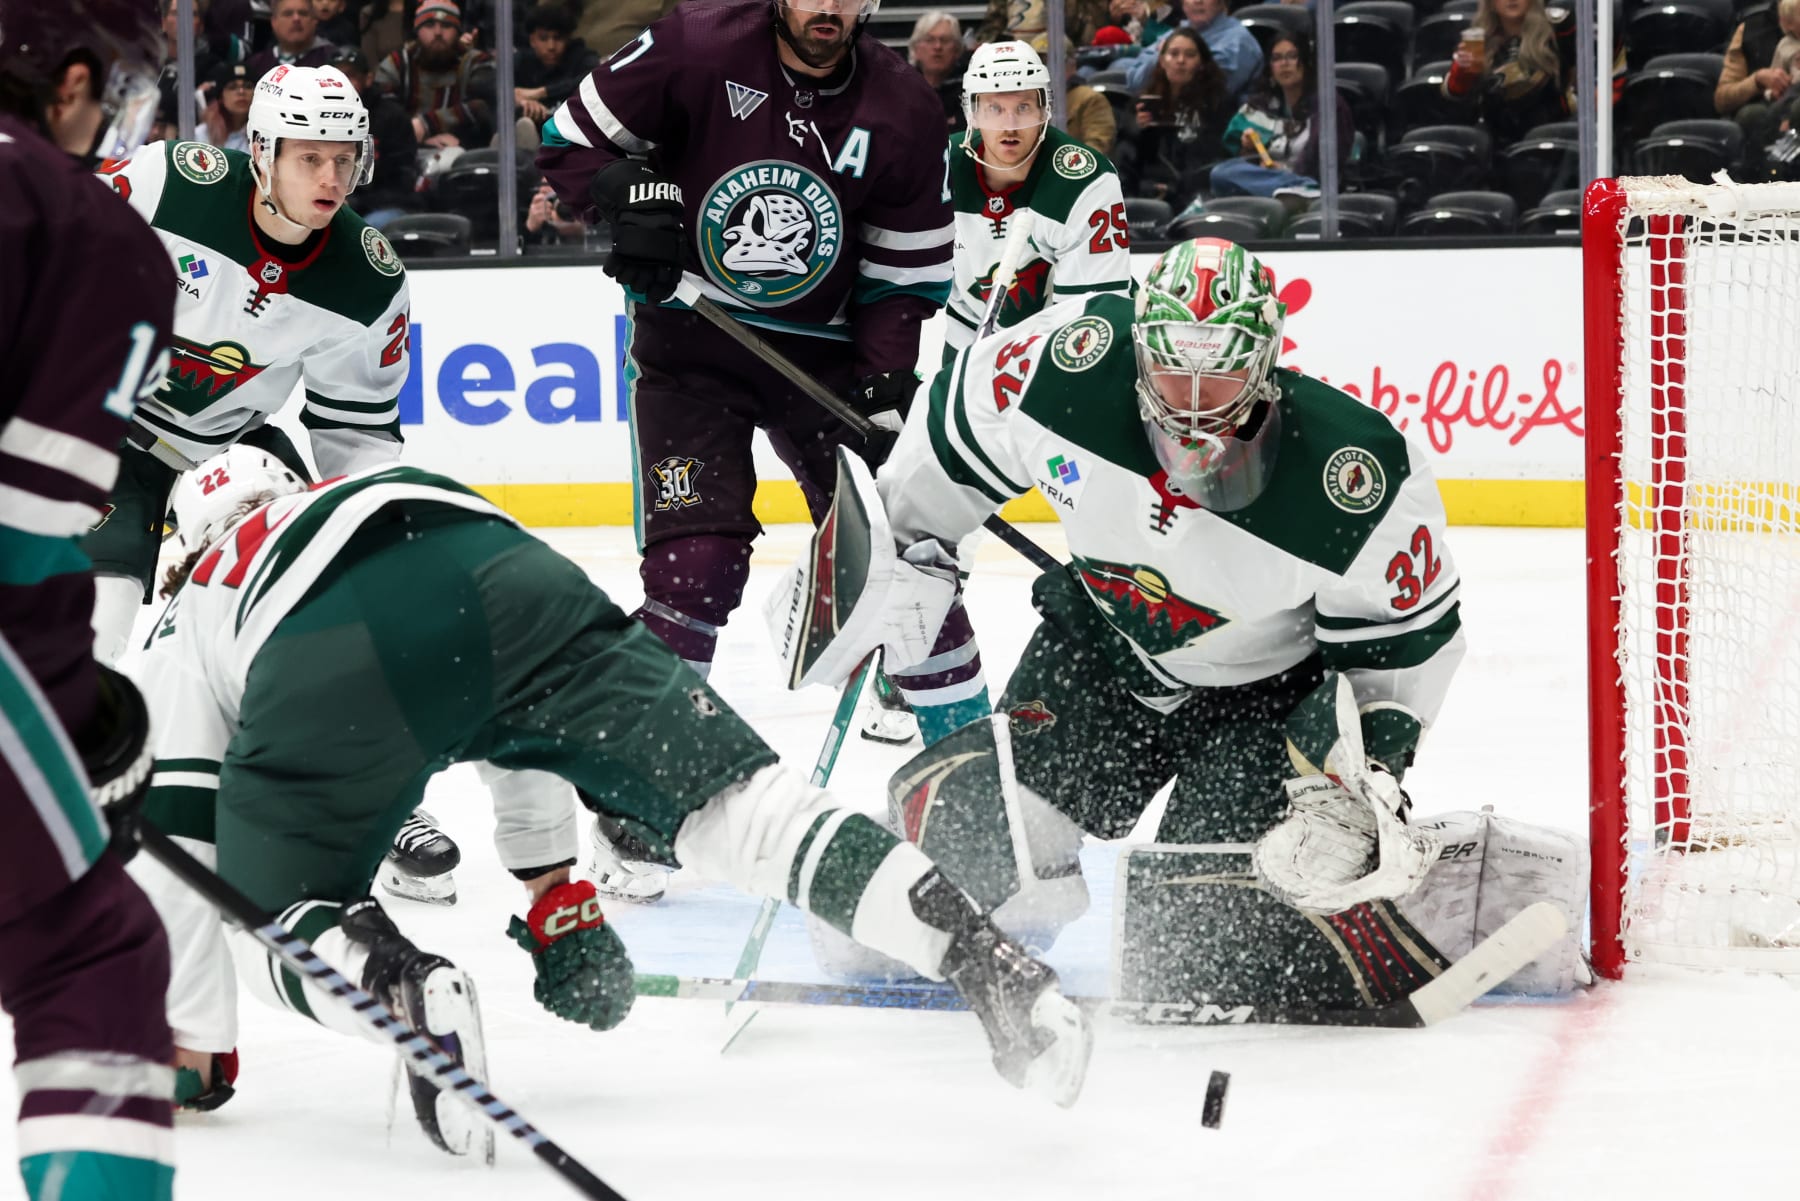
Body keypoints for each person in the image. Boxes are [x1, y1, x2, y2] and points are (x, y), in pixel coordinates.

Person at [123, 450, 1092, 1152]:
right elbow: (512, 728)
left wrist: (192, 1042)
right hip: (511, 572)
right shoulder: (361, 484)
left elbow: (179, 842)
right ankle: (987, 959)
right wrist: (556, 894)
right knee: (746, 807)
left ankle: (401, 988)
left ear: (181, 544)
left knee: (271, 916)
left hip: (323, 641)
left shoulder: (191, 594)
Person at [796, 238, 1465, 1000]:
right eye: (1175, 369)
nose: (1191, 402)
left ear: (1267, 360)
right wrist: (904, 544)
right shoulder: (1062, 368)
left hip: (1267, 700)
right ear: (1141, 347)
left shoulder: (1354, 477)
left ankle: (1396, 899)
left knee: (1194, 943)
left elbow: (1401, 648)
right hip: (1104, 654)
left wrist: (1367, 777)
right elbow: (953, 435)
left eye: (1219, 374)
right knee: (975, 855)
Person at [536, 0, 959, 900]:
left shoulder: (903, 107)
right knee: (695, 566)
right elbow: (569, 141)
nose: (828, 8)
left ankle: (972, 793)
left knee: (911, 556)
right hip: (691, 352)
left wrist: (885, 382)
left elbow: (905, 271)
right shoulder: (694, 43)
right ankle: (639, 798)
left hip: (828, 367)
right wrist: (629, 201)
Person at [0, 3, 180, 1199]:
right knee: (89, 945)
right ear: (70, 85)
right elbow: (20, 537)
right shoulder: (87, 228)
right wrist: (74, 721)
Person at [1207, 33, 1350, 204]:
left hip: (1314, 184)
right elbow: (1244, 159)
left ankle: (1301, 189)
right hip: (1272, 184)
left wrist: (1287, 171)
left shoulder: (1328, 104)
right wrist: (1248, 149)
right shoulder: (1262, 104)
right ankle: (1291, 191)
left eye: (1292, 56)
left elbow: (1326, 161)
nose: (1284, 64)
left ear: (1306, 61)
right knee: (1222, 173)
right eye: (1277, 58)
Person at [1441, 0, 1575, 149]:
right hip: (1498, 143)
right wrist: (1462, 72)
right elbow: (1455, 99)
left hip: (1555, 136)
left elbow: (1589, 74)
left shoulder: (1559, 26)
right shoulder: (1476, 39)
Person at [1130, 28, 1231, 212]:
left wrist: (1176, 188)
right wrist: (1137, 130)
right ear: (1161, 61)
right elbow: (1129, 159)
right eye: (1173, 54)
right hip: (1149, 190)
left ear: (1201, 63)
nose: (1181, 61)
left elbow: (1215, 158)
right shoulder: (1144, 102)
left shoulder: (1218, 103)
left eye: (1190, 55)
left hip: (1196, 192)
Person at [376, 0, 495, 150]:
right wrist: (418, 138)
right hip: (405, 150)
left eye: (446, 26)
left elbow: (483, 106)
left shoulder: (477, 62)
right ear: (417, 30)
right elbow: (382, 112)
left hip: (463, 148)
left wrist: (426, 124)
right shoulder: (397, 63)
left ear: (458, 31)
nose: (438, 32)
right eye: (429, 25)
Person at [331, 47, 421, 227]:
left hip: (381, 207)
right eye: (335, 77)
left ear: (368, 79)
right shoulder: (313, 118)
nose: (341, 83)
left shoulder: (392, 118)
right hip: (332, 205)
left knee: (364, 231)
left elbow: (402, 185)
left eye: (350, 76)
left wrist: (355, 203)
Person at [1126, 0, 1263, 104]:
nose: (1198, 1)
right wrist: (1161, 56)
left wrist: (1167, 55)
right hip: (1172, 126)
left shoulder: (1238, 42)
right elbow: (1134, 82)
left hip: (1218, 132)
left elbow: (1203, 95)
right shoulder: (1177, 33)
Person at [1718, 0, 1800, 170]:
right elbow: (1722, 98)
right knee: (1750, 115)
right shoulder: (1750, 28)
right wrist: (1757, 80)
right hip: (1771, 114)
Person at [512, 4, 598, 135]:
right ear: (532, 40)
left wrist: (541, 92)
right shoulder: (521, 60)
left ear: (568, 38)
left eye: (557, 38)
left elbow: (592, 77)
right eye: (544, 38)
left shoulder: (581, 57)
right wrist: (521, 101)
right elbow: (494, 85)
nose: (551, 46)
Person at [245, 0, 339, 78]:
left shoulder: (333, 59)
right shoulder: (256, 65)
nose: (296, 19)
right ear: (274, 22)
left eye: (303, 13)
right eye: (288, 14)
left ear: (314, 20)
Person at [911, 9, 969, 133]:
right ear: (916, 49)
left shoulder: (970, 88)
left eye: (945, 40)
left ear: (957, 49)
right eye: (929, 40)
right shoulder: (902, 87)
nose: (937, 46)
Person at [200, 61, 253, 152]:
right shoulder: (202, 134)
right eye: (232, 87)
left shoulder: (265, 133)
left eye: (247, 86)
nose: (241, 91)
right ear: (221, 96)